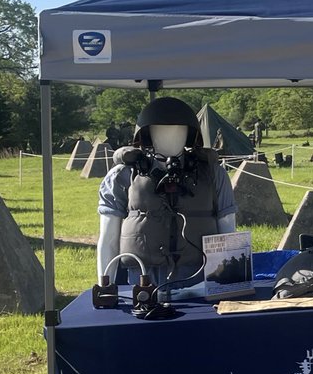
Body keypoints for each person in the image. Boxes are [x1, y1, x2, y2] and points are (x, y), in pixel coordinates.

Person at [97, 96, 237, 290]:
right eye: (159, 131)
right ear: (147, 135)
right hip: (143, 285)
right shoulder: (122, 175)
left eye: (180, 130)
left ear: (190, 135)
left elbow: (228, 233)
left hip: (201, 284)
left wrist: (228, 286)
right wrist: (105, 288)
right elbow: (108, 239)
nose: (171, 137)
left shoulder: (214, 174)